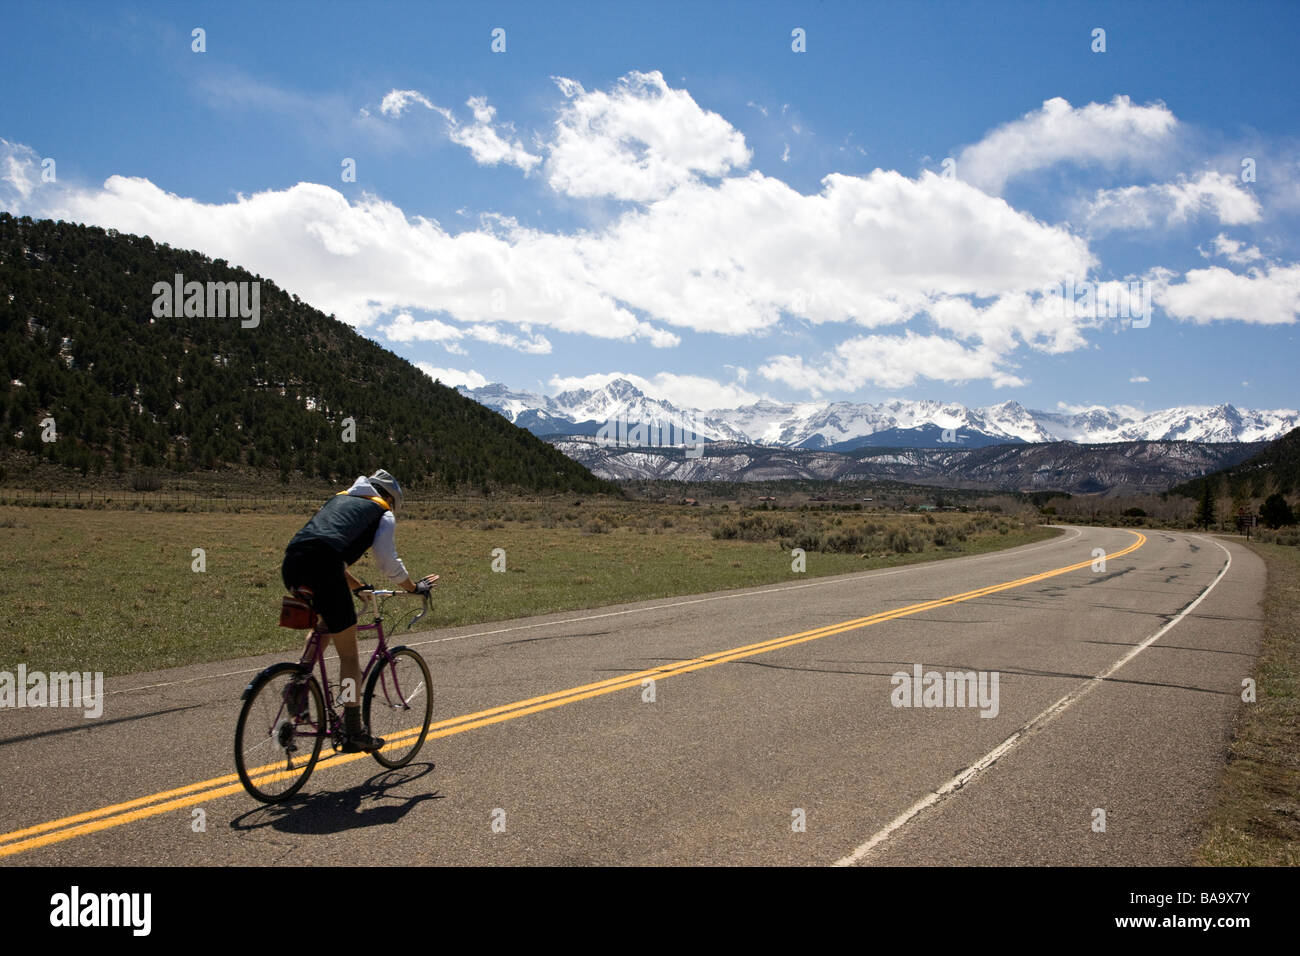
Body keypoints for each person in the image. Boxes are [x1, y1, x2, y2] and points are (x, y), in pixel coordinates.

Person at [281, 469, 437, 752]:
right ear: (389, 498)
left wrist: (357, 586)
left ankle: (298, 684)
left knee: (325, 626)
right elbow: (387, 561)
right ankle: (353, 730)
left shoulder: (339, 499)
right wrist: (413, 587)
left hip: (293, 561)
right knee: (350, 656)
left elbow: (327, 550)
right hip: (324, 567)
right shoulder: (382, 511)